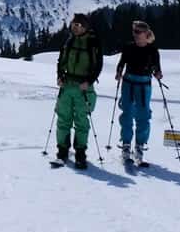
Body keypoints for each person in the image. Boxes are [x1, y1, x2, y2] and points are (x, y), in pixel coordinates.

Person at [54, 13, 103, 169]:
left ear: (85, 27)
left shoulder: (92, 43)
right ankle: (62, 151)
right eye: (73, 25)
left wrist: (89, 81)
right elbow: (61, 61)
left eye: (77, 25)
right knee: (63, 118)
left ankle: (80, 152)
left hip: (83, 86)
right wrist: (60, 76)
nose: (74, 28)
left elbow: (98, 65)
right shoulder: (69, 41)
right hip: (68, 84)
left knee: (81, 120)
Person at [114, 20, 163, 164]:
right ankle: (126, 145)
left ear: (146, 34)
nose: (135, 34)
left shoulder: (153, 50)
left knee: (143, 115)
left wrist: (158, 73)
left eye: (138, 32)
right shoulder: (128, 47)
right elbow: (122, 62)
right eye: (134, 31)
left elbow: (156, 67)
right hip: (129, 82)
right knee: (127, 113)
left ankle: (140, 146)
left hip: (143, 84)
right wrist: (118, 72)